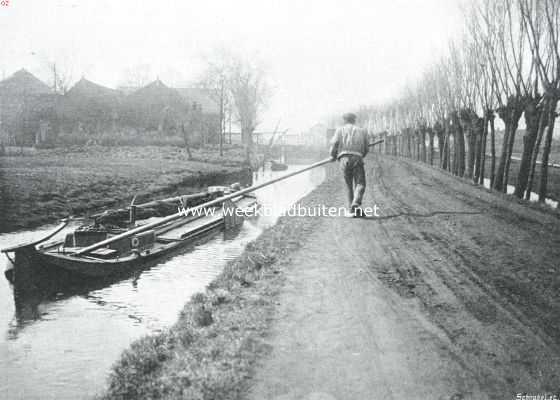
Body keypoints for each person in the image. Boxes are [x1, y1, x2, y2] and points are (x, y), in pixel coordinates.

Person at [329, 112, 369, 217]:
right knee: (360, 183)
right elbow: (366, 149)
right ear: (354, 120)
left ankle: (352, 210)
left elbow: (334, 145)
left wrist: (333, 156)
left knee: (348, 186)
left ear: (344, 120)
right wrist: (360, 156)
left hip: (344, 158)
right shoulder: (362, 131)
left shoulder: (339, 130)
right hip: (357, 158)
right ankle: (356, 203)